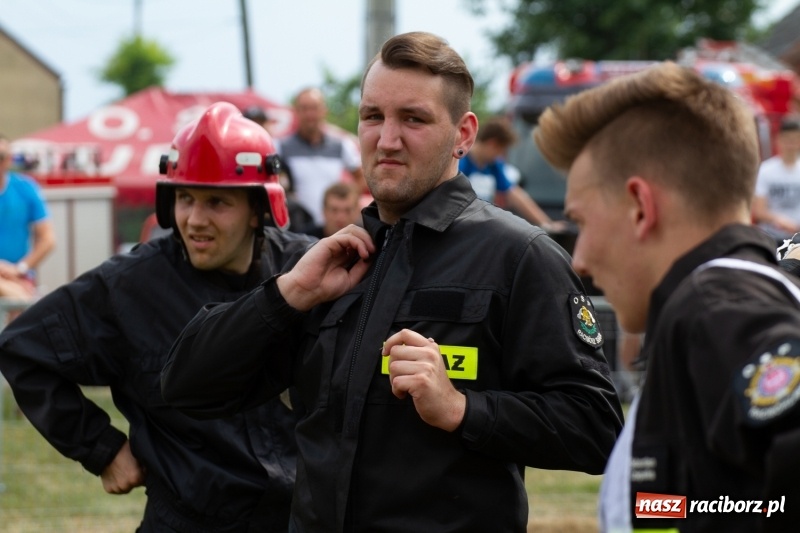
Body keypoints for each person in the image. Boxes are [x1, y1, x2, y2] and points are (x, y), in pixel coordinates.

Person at [162, 32, 624, 532]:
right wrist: (286, 295)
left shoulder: (519, 257)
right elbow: (187, 387)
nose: (387, 139)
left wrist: (464, 409)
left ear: (463, 134)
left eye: (414, 119)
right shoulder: (327, 264)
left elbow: (596, 428)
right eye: (373, 117)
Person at [0, 102, 316, 532]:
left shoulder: (308, 271)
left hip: (299, 520)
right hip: (188, 522)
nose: (195, 220)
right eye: (185, 198)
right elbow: (23, 348)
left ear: (258, 209)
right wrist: (102, 448)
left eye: (217, 201)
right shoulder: (130, 285)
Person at [534, 61, 800, 531]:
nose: (580, 259)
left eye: (582, 222)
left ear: (640, 207)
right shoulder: (716, 305)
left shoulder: (715, 310)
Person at [276, 87, 365, 227]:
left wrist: (346, 205)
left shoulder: (342, 145)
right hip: (297, 229)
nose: (310, 114)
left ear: (324, 110)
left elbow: (361, 176)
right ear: (296, 112)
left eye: (314, 108)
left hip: (333, 229)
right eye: (304, 109)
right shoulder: (280, 147)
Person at [459, 116, 565, 232]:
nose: (501, 155)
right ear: (492, 144)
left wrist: (546, 223)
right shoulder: (461, 162)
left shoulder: (493, 165)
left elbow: (515, 194)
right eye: (501, 150)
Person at [0, 134, 56, 300]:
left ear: (9, 159)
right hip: (15, 283)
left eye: (1, 157)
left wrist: (19, 269)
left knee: (17, 307)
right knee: (20, 300)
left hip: (17, 277)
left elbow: (48, 239)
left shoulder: (25, 188)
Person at [752, 117, 800, 241]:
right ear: (779, 140)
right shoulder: (765, 170)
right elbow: (759, 211)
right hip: (772, 236)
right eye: (787, 139)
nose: (791, 144)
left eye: (795, 139)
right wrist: (778, 219)